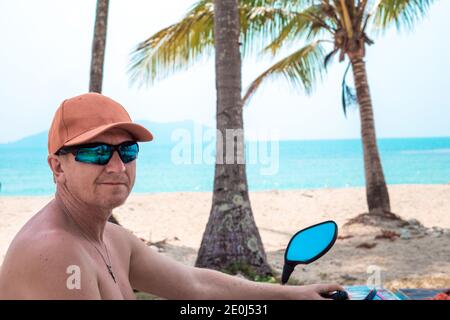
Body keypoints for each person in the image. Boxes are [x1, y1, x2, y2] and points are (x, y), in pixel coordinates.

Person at [0, 93, 344, 299]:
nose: (118, 166)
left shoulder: (112, 239)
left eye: (127, 150)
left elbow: (195, 285)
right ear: (57, 168)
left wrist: (292, 294)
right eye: (96, 152)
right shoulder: (53, 252)